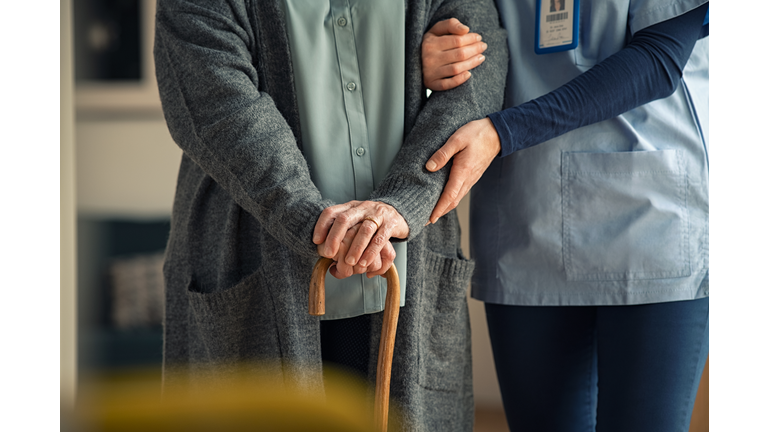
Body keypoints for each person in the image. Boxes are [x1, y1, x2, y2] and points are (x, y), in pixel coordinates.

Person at [153, 0, 507, 430]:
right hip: (257, 267)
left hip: (407, 269)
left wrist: (400, 205)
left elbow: (479, 75)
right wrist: (323, 225)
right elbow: (218, 106)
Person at [415, 1, 710, 431]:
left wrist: (504, 131)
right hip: (527, 214)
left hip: (649, 220)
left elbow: (660, 58)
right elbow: (450, 21)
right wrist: (429, 58)